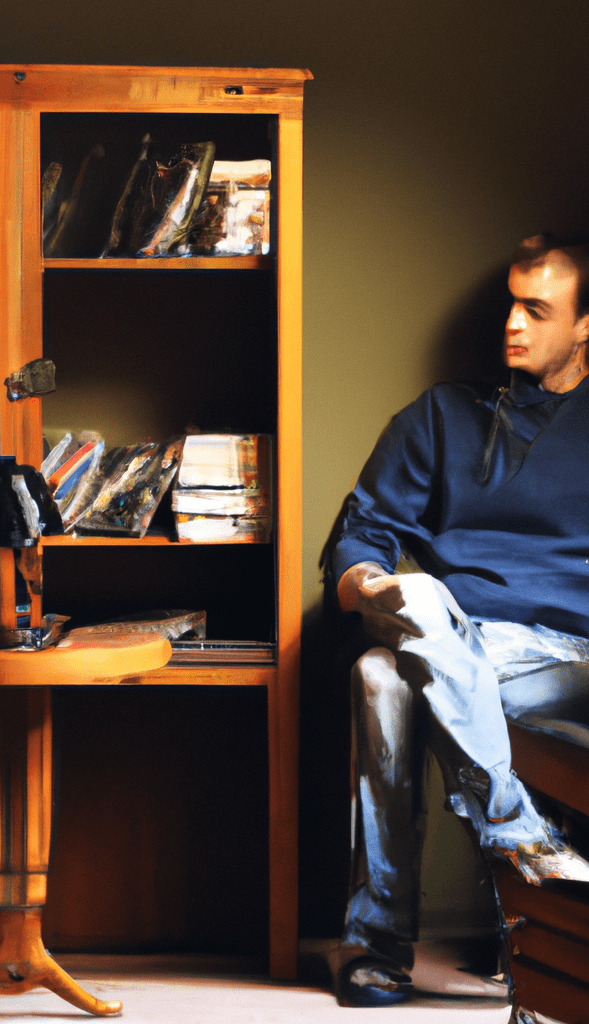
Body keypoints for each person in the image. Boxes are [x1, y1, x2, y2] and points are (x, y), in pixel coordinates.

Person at [322, 234, 589, 1007]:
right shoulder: (443, 416)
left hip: (562, 654)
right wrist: (373, 584)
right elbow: (360, 534)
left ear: (583, 327)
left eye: (537, 310)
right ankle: (515, 829)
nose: (512, 323)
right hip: (448, 634)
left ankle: (375, 943)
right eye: (510, 302)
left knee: (381, 676)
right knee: (417, 612)